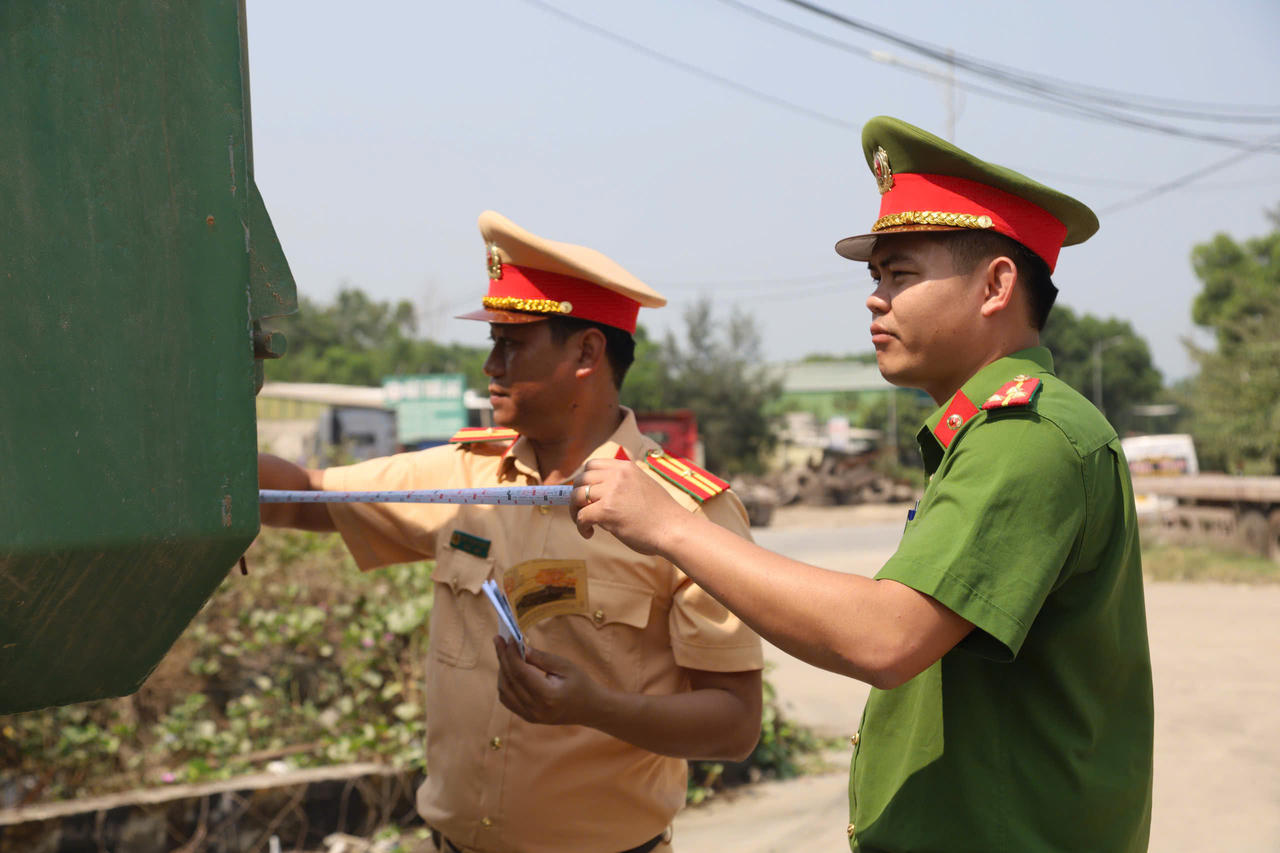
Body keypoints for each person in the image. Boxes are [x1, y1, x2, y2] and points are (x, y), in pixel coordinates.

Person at [571, 117, 1154, 852]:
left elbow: (885, 636)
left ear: (996, 285)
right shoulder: (989, 431)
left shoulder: (1026, 435)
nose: (876, 299)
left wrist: (670, 527)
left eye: (900, 275)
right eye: (875, 278)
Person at [258, 211, 763, 853]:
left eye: (512, 344)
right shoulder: (462, 476)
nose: (490, 365)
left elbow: (735, 723)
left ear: (587, 353)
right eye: (493, 342)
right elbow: (303, 496)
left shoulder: (684, 513)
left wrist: (595, 707)